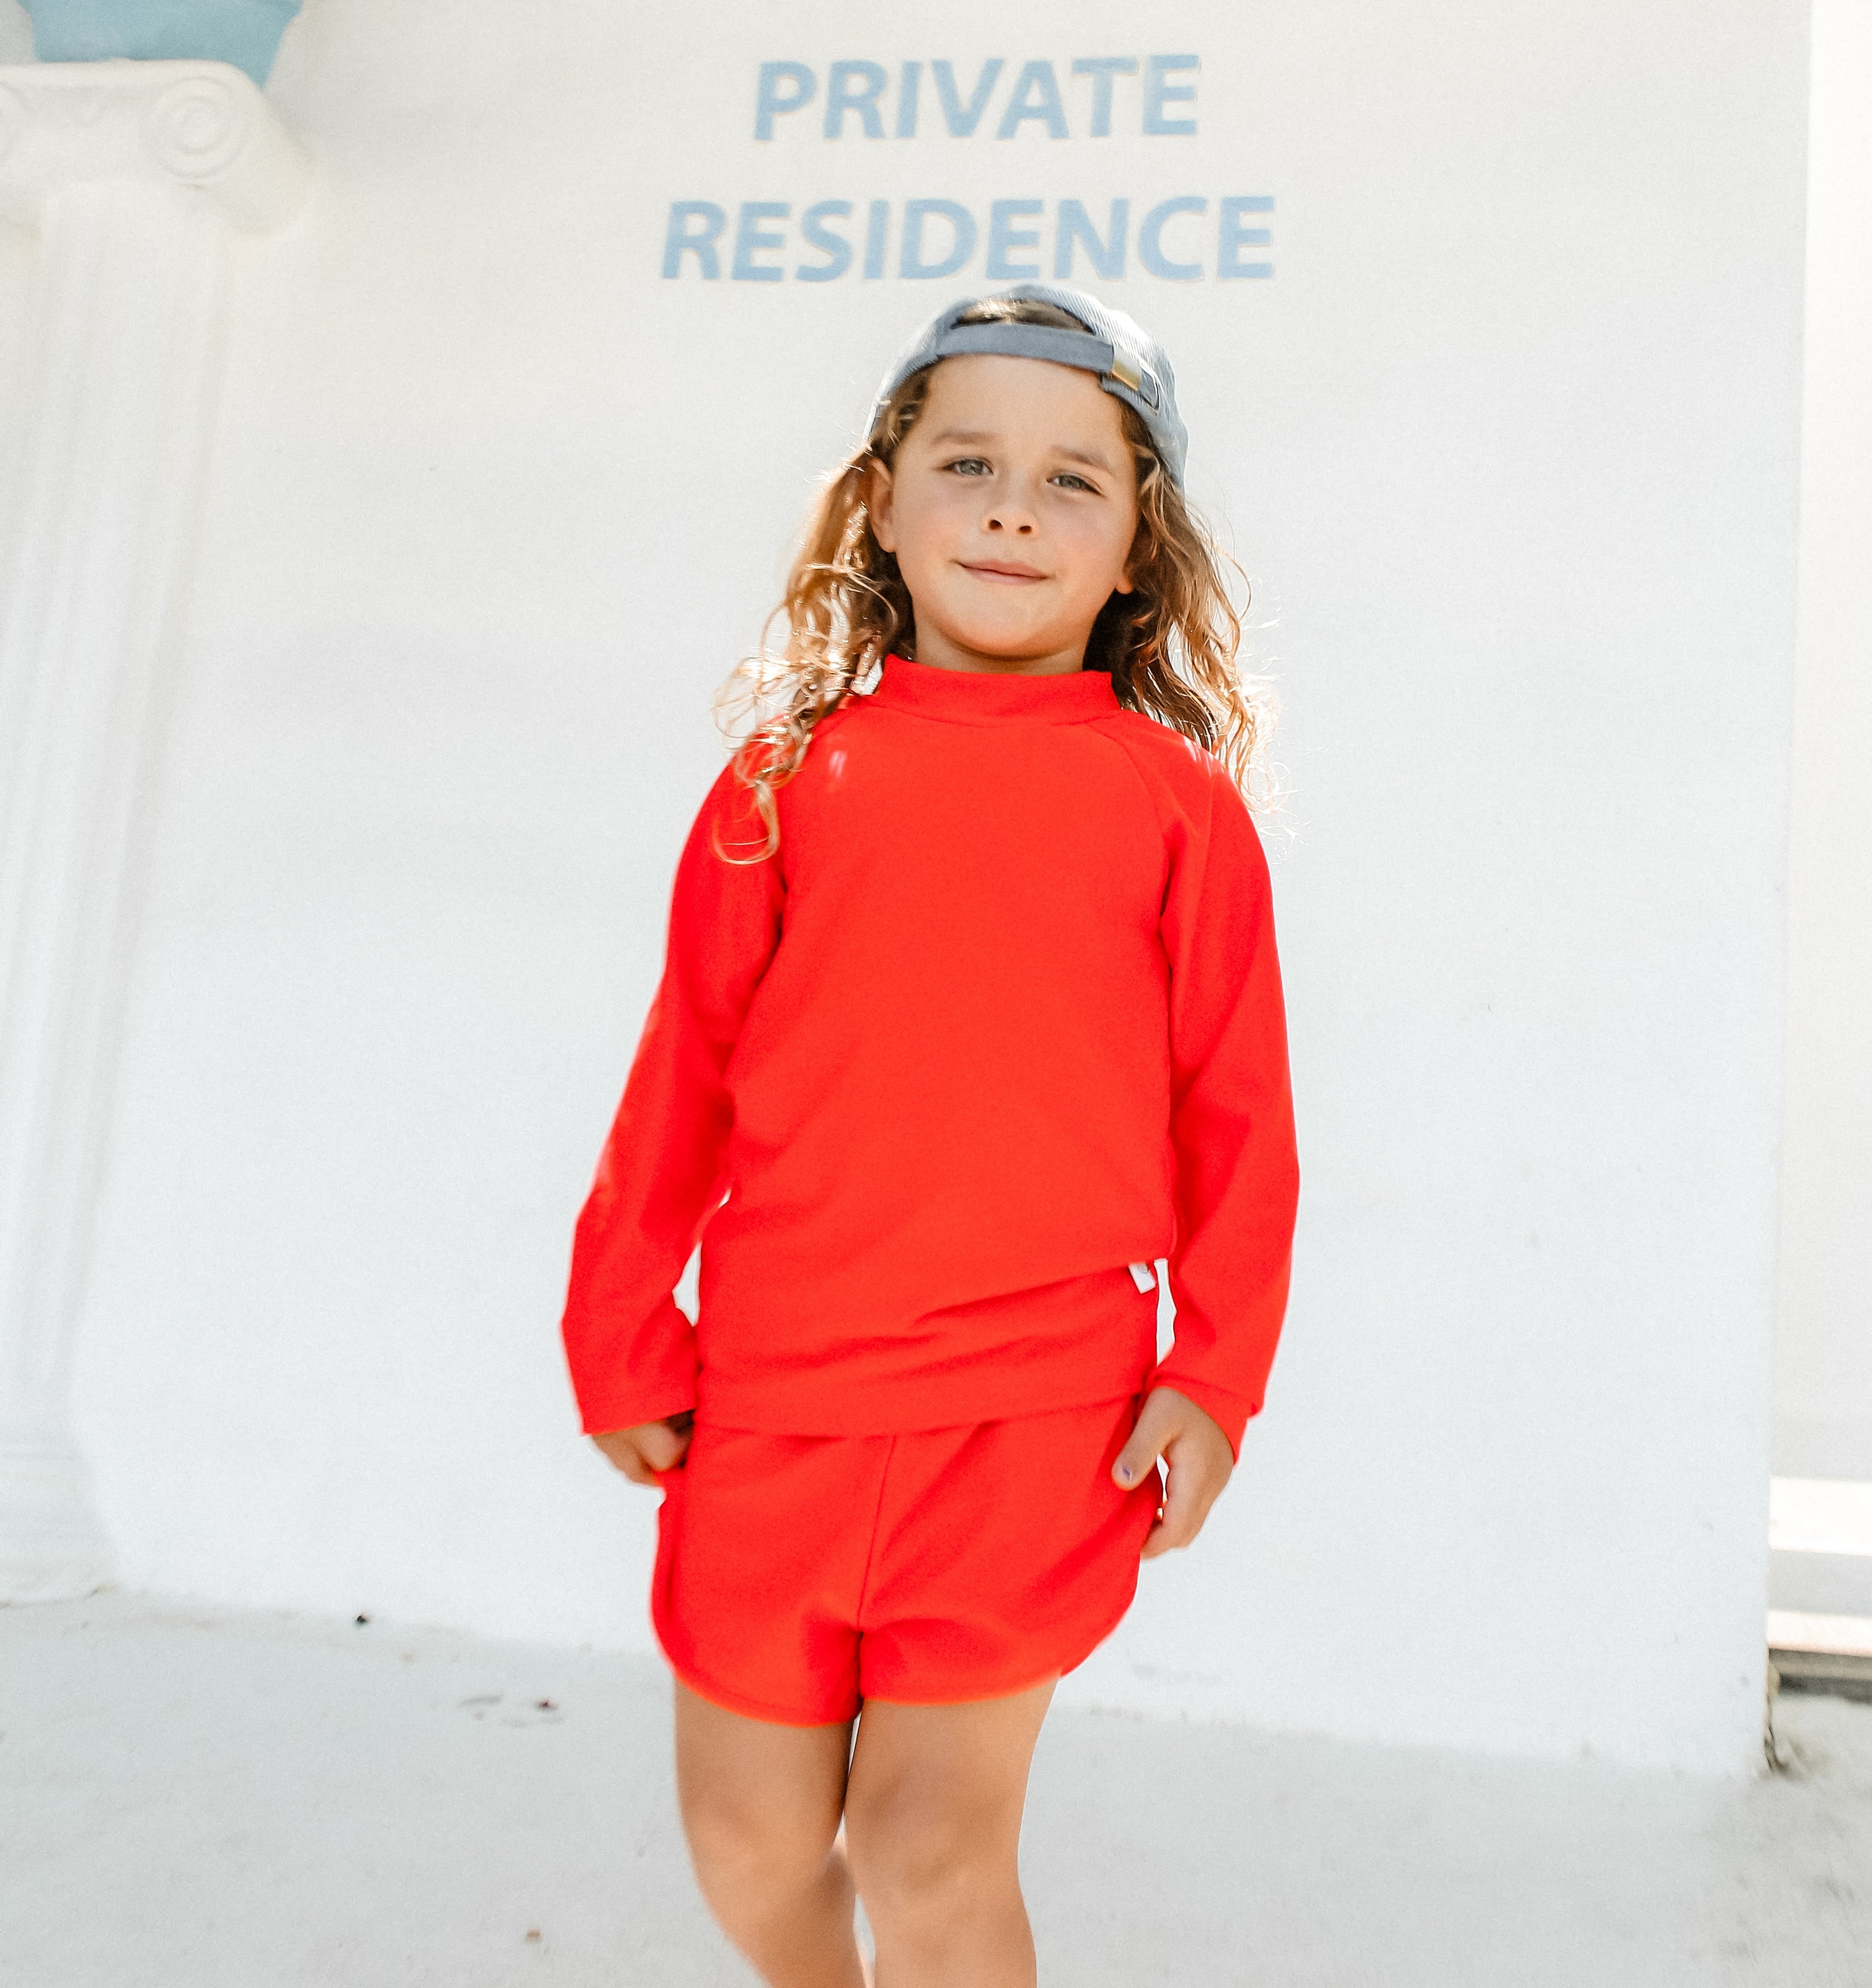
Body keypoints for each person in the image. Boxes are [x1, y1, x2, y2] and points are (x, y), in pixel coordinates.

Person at [561, 281, 1300, 1988]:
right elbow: (682, 1072)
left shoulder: (1178, 811)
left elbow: (1240, 1116)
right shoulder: (782, 778)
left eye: (1072, 482)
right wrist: (618, 1321)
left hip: (1038, 1408)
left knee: (926, 1847)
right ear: (882, 506)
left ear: (1137, 547)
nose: (1012, 511)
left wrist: (1218, 1368)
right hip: (776, 1396)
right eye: (967, 464)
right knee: (748, 1847)